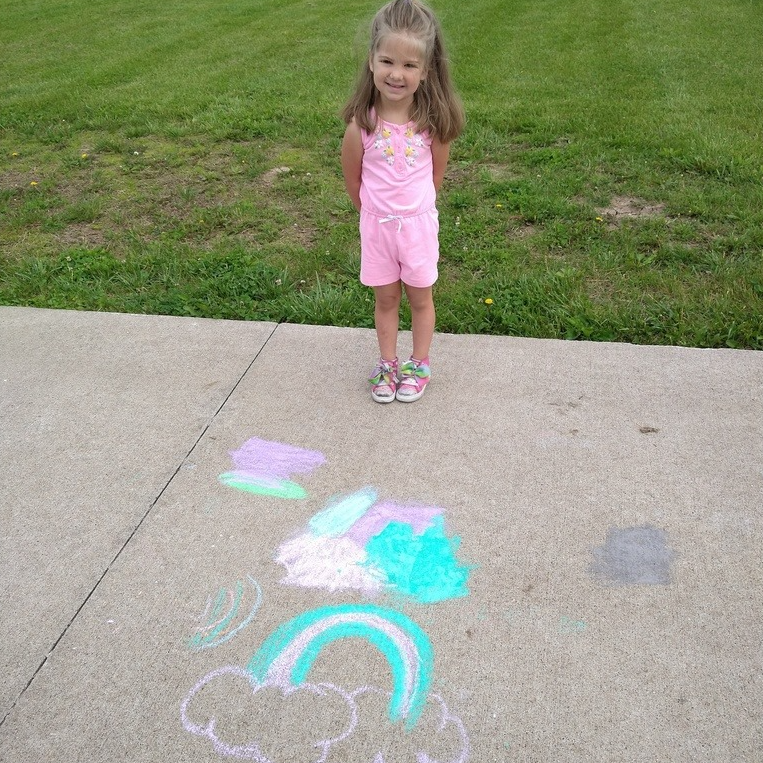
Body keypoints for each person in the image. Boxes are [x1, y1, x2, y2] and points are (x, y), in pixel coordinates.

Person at [341, 0, 464, 403]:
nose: (397, 74)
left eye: (410, 66)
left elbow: (435, 177)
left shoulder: (432, 125)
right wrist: (375, 216)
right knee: (386, 298)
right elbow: (354, 181)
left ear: (426, 71)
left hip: (418, 228)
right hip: (377, 229)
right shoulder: (362, 126)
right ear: (372, 62)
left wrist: (413, 213)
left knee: (420, 297)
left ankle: (419, 363)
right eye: (388, 61)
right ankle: (388, 362)